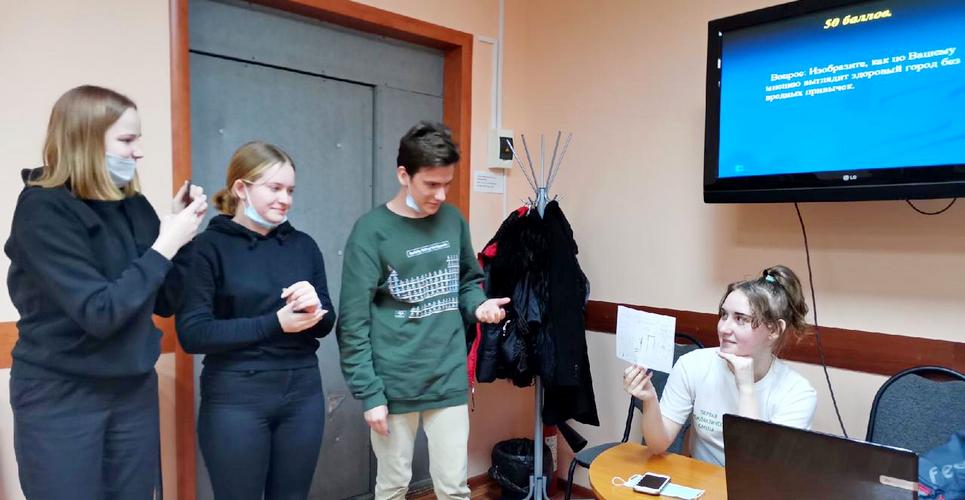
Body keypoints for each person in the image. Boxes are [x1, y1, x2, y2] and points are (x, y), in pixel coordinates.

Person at [5, 85, 206, 499]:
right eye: (127, 140)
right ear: (85, 141)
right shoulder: (42, 210)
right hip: (60, 395)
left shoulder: (134, 206)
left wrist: (181, 237)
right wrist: (165, 245)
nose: (138, 152)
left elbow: (167, 301)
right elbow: (100, 312)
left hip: (132, 391)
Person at [337, 121, 509, 500]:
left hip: (447, 377)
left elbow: (467, 282)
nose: (440, 194)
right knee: (393, 485)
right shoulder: (371, 232)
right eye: (431, 184)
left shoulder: (452, 220)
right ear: (404, 175)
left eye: (447, 184)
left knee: (454, 488)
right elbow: (352, 322)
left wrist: (479, 306)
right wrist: (370, 394)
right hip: (393, 382)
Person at [176, 141, 334, 499]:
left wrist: (315, 309)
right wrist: (275, 323)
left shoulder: (304, 245)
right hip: (236, 397)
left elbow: (327, 324)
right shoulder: (208, 247)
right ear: (241, 188)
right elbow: (193, 333)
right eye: (274, 188)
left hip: (302, 393)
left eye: (290, 190)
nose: (285, 199)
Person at [623, 265, 817, 466]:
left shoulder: (798, 393)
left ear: (774, 329)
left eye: (740, 319)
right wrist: (650, 399)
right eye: (724, 315)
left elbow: (756, 468)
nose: (724, 328)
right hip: (702, 481)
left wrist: (746, 388)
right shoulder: (693, 364)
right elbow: (657, 445)